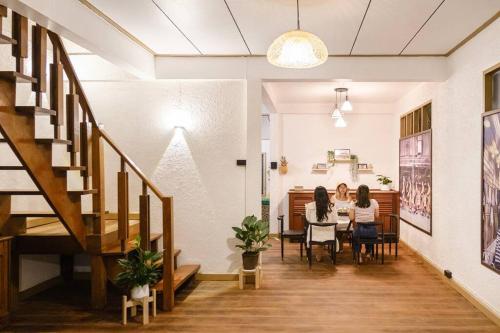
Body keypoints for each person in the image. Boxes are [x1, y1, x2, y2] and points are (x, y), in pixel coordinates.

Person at [305, 186, 337, 261]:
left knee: (314, 230)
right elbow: (335, 220)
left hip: (314, 234)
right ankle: (320, 251)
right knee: (330, 230)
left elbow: (308, 219)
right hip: (329, 234)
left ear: (315, 195)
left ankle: (319, 252)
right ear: (326, 195)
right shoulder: (331, 206)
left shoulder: (310, 206)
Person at [349, 185, 379, 263]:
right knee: (369, 236)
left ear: (357, 193)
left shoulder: (354, 203)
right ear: (368, 193)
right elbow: (377, 215)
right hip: (372, 231)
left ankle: (358, 255)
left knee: (355, 236)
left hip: (359, 231)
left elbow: (351, 218)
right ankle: (368, 252)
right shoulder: (374, 202)